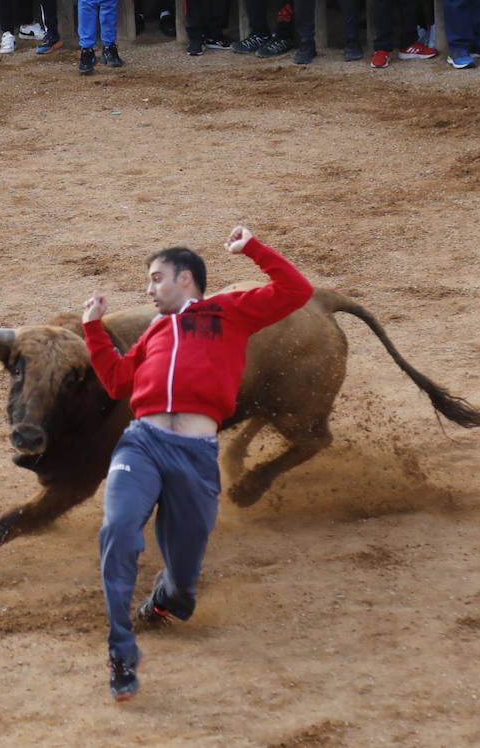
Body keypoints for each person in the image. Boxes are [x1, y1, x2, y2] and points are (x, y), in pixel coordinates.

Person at [81, 225, 313, 702]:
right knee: (119, 529)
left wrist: (251, 248)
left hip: (195, 456)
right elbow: (117, 382)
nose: (148, 289)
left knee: (184, 579)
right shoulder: (154, 332)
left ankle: (169, 599)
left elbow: (296, 291)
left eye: (155, 277)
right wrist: (92, 330)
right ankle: (122, 652)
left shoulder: (229, 312)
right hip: (142, 443)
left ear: (185, 278)